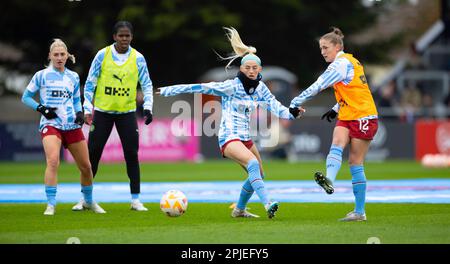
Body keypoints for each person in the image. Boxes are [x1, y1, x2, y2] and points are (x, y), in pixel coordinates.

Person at [158, 27, 304, 219]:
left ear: (260, 70)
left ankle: (239, 210)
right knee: (252, 165)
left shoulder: (260, 88)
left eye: (255, 68)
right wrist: (170, 90)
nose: (251, 71)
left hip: (245, 138)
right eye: (247, 68)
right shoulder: (231, 86)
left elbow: (277, 108)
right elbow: (201, 87)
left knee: (259, 174)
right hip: (229, 137)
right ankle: (268, 204)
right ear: (241, 69)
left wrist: (292, 113)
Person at [290, 27, 378, 222]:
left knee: (355, 162)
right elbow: (354, 90)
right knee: (336, 143)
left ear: (338, 46)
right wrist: (336, 108)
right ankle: (330, 180)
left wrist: (295, 101)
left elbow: (318, 85)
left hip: (363, 116)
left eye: (325, 47)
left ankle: (359, 212)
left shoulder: (340, 64)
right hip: (347, 112)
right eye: (320, 48)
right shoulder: (351, 61)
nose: (322, 52)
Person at [72, 21, 154, 212]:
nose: (124, 39)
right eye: (121, 35)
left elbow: (147, 84)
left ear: (132, 37)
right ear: (114, 37)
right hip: (103, 113)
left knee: (132, 155)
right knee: (93, 155)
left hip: (126, 114)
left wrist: (148, 107)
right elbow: (90, 83)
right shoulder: (103, 55)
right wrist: (87, 109)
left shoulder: (138, 58)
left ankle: (135, 200)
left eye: (128, 36)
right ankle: (85, 199)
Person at [21, 39, 106, 215]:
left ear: (67, 56)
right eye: (56, 55)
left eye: (62, 54)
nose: (59, 58)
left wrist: (79, 113)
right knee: (53, 161)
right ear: (50, 56)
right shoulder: (41, 75)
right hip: (51, 124)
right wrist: (42, 108)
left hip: (71, 125)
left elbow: (75, 100)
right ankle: (51, 205)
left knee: (86, 166)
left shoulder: (73, 77)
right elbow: (26, 97)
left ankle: (88, 201)